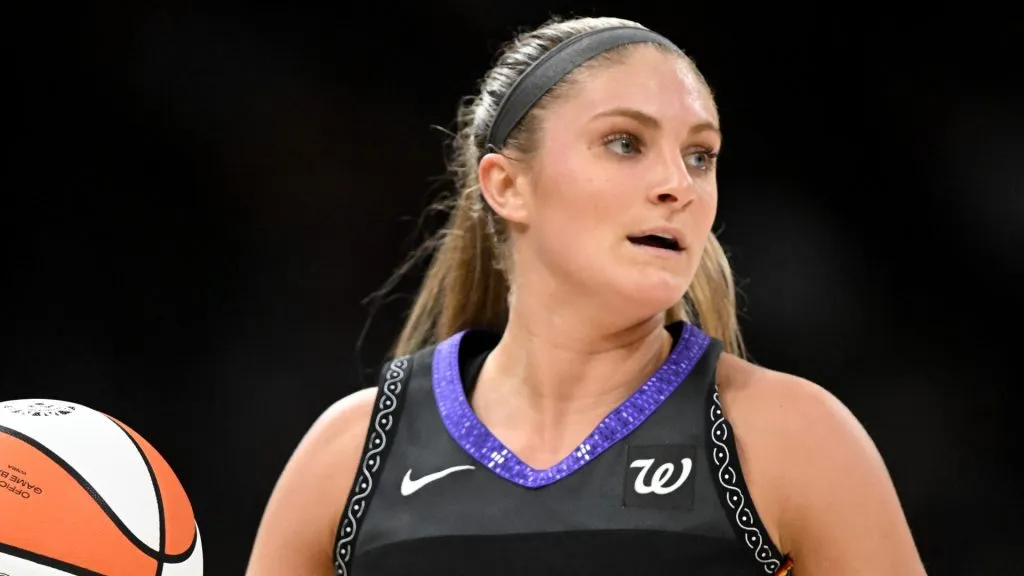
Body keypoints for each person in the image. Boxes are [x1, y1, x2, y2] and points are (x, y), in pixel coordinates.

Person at [246, 16, 928, 576]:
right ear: (507, 185)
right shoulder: (352, 452)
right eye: (625, 143)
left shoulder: (794, 438)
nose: (678, 185)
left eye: (700, 155)